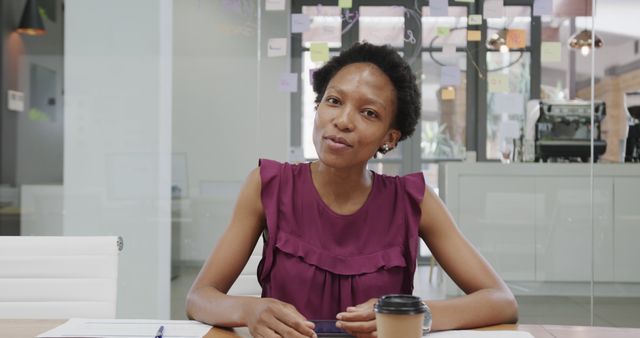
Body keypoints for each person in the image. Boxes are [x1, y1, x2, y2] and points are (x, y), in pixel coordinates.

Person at [186, 42, 518, 338]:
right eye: (333, 100)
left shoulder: (414, 200)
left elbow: (501, 301)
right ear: (318, 107)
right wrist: (248, 310)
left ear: (389, 138)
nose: (343, 120)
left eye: (368, 113)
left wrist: (411, 315)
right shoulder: (267, 184)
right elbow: (200, 297)